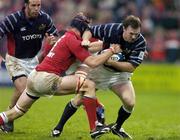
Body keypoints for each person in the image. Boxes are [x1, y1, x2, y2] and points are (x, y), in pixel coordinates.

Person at [0, 13, 121, 139]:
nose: (89, 32)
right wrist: (112, 50)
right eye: (87, 29)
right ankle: (94, 128)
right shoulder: (72, 40)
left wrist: (106, 44)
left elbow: (90, 46)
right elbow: (93, 62)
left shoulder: (66, 37)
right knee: (89, 86)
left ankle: (92, 112)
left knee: (16, 112)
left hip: (34, 76)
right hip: (47, 78)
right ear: (82, 28)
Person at [52, 15, 147, 139]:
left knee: (130, 102)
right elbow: (89, 30)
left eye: (137, 34)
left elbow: (130, 67)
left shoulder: (140, 42)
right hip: (100, 70)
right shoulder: (112, 29)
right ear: (123, 28)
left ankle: (117, 127)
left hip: (120, 74)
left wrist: (111, 62)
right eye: (131, 33)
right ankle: (58, 127)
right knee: (80, 99)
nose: (134, 37)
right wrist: (86, 39)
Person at [0, 0, 58, 132]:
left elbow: (55, 35)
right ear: (26, 5)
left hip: (34, 60)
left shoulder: (45, 18)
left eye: (39, 5)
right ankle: (8, 118)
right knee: (24, 90)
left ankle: (8, 116)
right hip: (15, 60)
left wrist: (51, 41)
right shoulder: (13, 19)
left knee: (31, 91)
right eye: (33, 5)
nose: (37, 8)